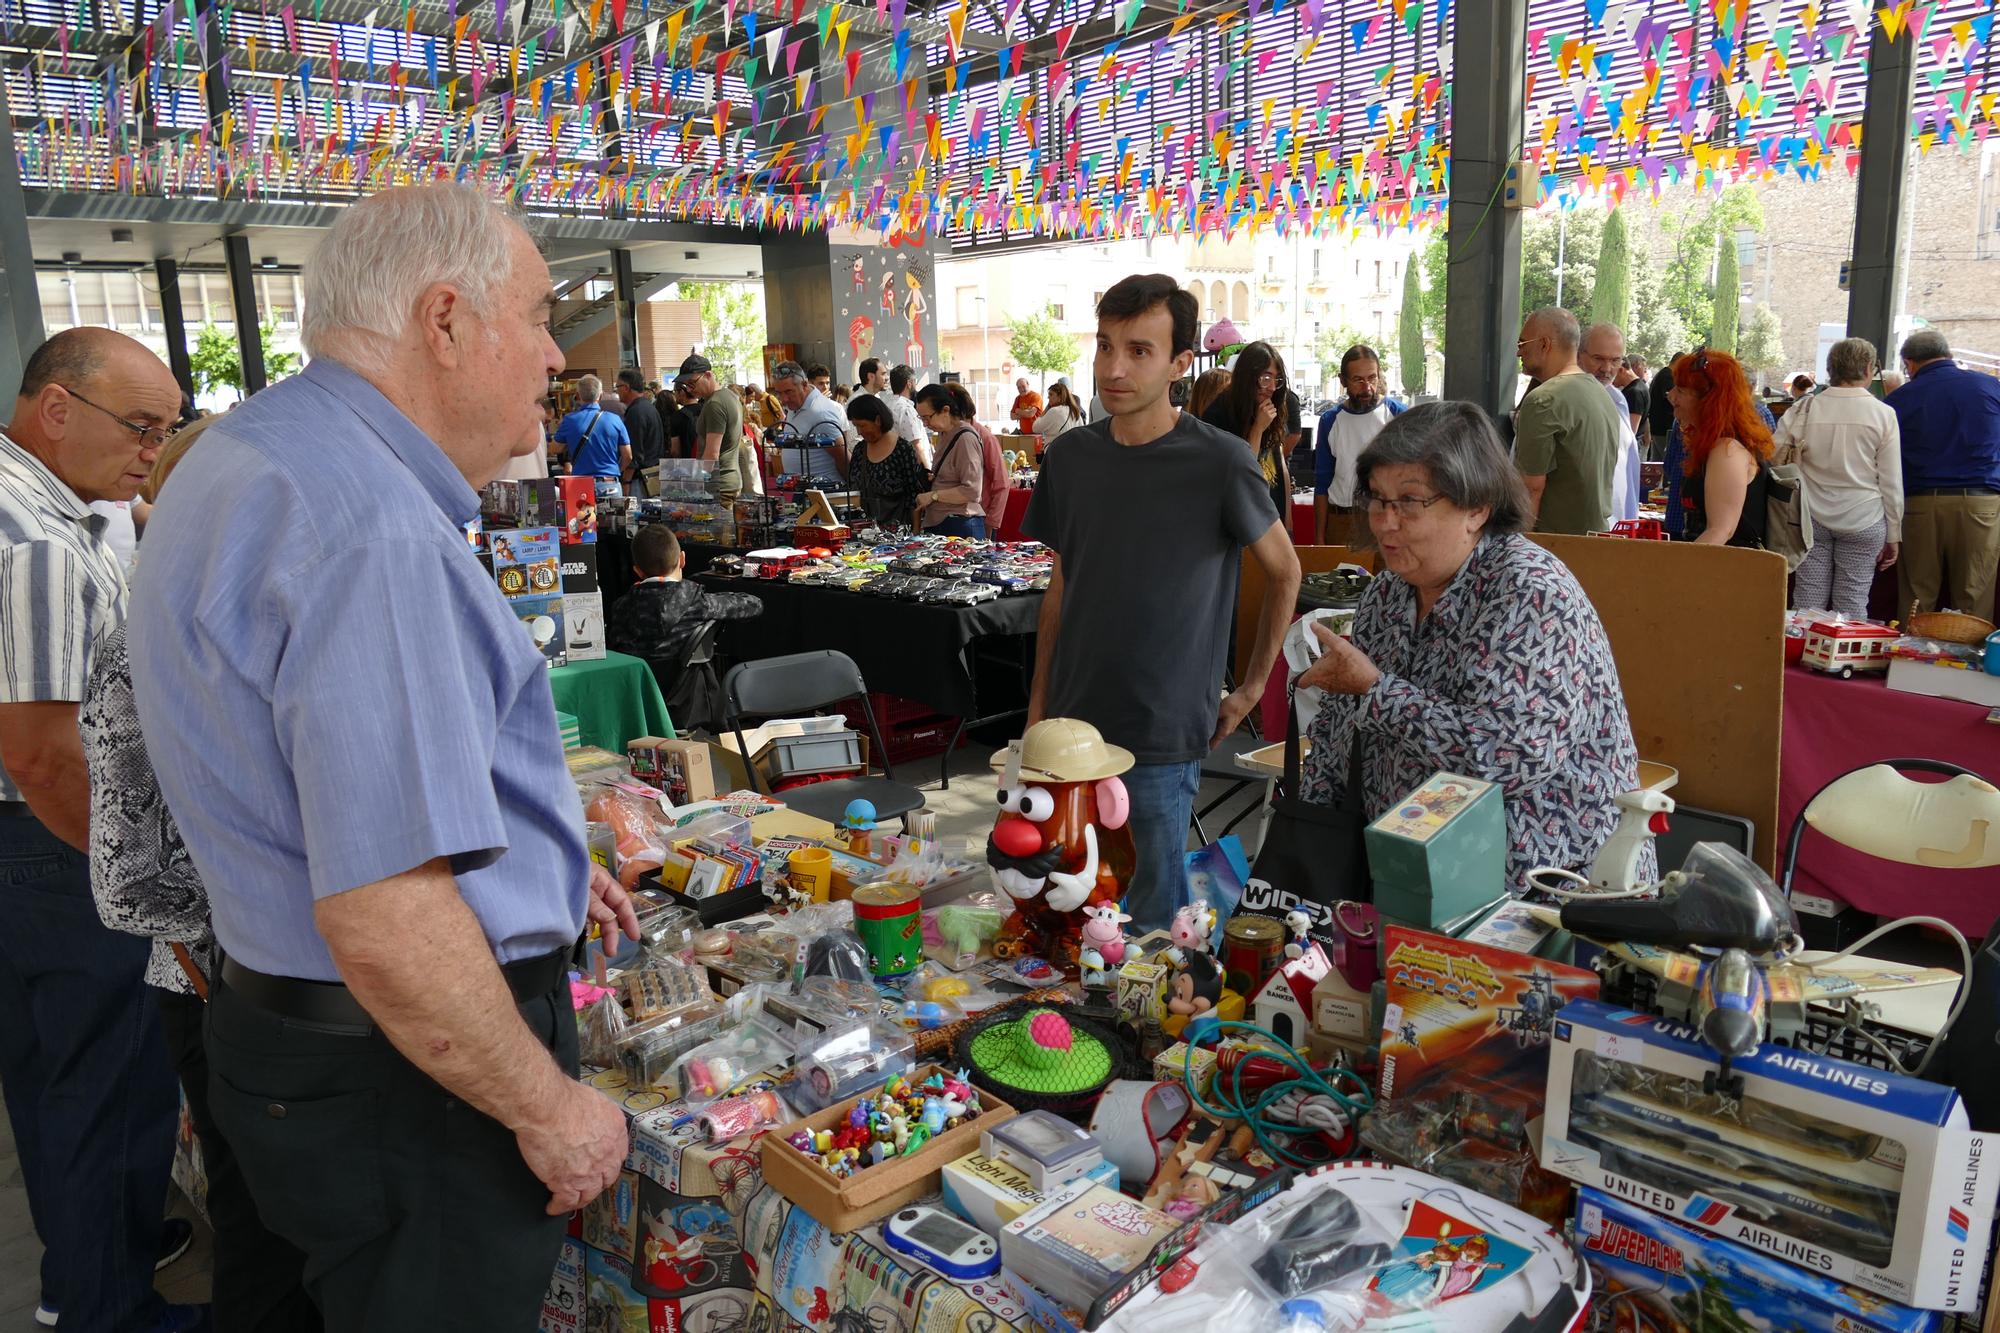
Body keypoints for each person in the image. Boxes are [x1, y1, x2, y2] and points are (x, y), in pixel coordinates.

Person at [128, 183, 641, 1330]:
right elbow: (386, 911)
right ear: (446, 321)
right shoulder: (370, 529)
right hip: (406, 1077)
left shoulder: (255, 455)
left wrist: (542, 866)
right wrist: (548, 1106)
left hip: (301, 1034)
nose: (558, 351)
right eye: (542, 311)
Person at [81, 413, 324, 1333]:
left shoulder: (252, 622)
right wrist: (296, 905)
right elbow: (126, 880)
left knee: (304, 1238)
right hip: (222, 988)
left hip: (289, 987)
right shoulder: (140, 644)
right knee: (266, 1242)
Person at [0, 328, 203, 1333]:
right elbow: (43, 756)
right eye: (139, 428)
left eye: (164, 434)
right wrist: (138, 880)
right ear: (56, 409)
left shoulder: (49, 513)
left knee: (52, 1080)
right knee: (108, 1085)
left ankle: (81, 1271)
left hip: (25, 851)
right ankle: (106, 1307)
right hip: (52, 848)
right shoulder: (37, 544)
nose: (148, 454)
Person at [1022, 274, 1301, 932]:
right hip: (1069, 725)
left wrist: (1253, 686)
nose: (1114, 367)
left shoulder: (1221, 462)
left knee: (1148, 920)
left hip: (1162, 727)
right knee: (1064, 897)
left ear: (1181, 364)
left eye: (1139, 350)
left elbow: (1285, 572)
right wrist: (1036, 710)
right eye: (1105, 346)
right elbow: (1062, 586)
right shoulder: (1071, 459)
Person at [1296, 402, 1647, 889]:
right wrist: (1306, 836)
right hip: (1409, 875)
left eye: (1410, 502)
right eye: (1377, 499)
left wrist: (1375, 692)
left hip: (1540, 888)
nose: (1385, 522)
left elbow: (1507, 756)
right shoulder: (1388, 591)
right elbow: (1340, 732)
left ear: (1477, 509)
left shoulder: (1531, 592)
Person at [1774, 337, 1903, 616]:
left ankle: (1801, 654)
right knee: (1853, 603)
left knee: (1807, 603)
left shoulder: (1803, 409)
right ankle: (1846, 658)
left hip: (1809, 517)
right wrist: (1894, 533)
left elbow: (1773, 455)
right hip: (1864, 517)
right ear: (1869, 369)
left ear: (1830, 369)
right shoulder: (1884, 414)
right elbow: (1891, 481)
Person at [1887, 329, 2000, 621]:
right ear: (1949, 355)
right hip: (1981, 504)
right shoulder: (1990, 387)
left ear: (1909, 364)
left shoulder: (1899, 399)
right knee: (1974, 595)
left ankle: (1910, 662)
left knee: (1917, 596)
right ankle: (1966, 662)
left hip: (1920, 504)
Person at [1513, 307, 1621, 534]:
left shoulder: (1544, 400)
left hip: (1556, 548)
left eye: (1522, 344)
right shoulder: (1602, 393)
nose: (1518, 352)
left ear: (1544, 344)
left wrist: (1516, 550)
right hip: (1595, 540)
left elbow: (1531, 488)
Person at [606, 525, 763, 663]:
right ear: (682, 559)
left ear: (638, 571)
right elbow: (754, 604)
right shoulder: (697, 602)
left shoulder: (620, 608)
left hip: (637, 692)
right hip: (687, 693)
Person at [1668, 347, 1774, 549]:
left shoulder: (1727, 451)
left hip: (1727, 573)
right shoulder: (1721, 446)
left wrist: (1678, 573)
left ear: (1708, 401)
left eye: (1680, 391)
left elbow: (1720, 530)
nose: (1671, 396)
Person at [1313, 344, 1404, 545]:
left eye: (1372, 378)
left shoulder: (1398, 415)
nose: (1367, 388)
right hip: (1341, 520)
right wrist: (1319, 538)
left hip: (1386, 520)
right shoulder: (1330, 421)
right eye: (1358, 380)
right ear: (1343, 381)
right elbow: (1322, 482)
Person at [1201, 340, 1298, 520]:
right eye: (1266, 378)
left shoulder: (1268, 408)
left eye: (1276, 379)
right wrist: (1258, 429)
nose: (1271, 387)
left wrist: (1287, 521)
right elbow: (1243, 475)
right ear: (1248, 376)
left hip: (1269, 517)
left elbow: (1279, 464)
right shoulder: (1219, 414)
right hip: (1240, 522)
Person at [1579, 323, 1645, 524]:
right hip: (1587, 531)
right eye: (1598, 359)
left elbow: (1628, 469)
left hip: (1619, 529)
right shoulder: (1568, 401)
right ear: (1579, 355)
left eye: (1615, 360)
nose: (1607, 369)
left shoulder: (1618, 399)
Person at [911, 383, 989, 538]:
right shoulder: (943, 434)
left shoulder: (965, 438)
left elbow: (972, 491)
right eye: (922, 419)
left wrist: (933, 496)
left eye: (928, 418)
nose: (926, 424)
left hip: (960, 524)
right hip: (941, 521)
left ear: (945, 410)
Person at [844, 394, 928, 527]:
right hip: (863, 533)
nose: (859, 431)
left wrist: (915, 534)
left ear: (878, 420)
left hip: (899, 534)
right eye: (856, 426)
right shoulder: (859, 450)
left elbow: (914, 496)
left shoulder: (903, 450)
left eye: (862, 425)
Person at [679, 354, 754, 503]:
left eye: (692, 383)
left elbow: (712, 452)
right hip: (727, 481)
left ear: (708, 375)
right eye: (686, 385)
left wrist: (697, 483)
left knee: (719, 526)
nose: (689, 389)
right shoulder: (730, 396)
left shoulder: (715, 404)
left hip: (719, 485)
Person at [768, 359, 851, 484]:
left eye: (788, 392)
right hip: (802, 490)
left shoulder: (820, 412)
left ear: (804, 385)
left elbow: (843, 457)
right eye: (779, 393)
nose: (783, 399)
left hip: (824, 493)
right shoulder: (794, 405)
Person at [554, 373, 631, 480]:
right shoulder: (615, 420)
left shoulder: (569, 420)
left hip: (581, 483)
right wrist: (616, 471)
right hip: (609, 483)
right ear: (601, 395)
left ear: (578, 395)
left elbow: (556, 448)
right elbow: (628, 456)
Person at [616, 368, 665, 489]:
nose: (617, 391)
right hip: (653, 475)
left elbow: (634, 452)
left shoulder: (635, 412)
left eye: (618, 387)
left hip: (640, 479)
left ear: (626, 387)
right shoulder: (649, 407)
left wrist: (626, 481)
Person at [884, 363, 932, 464]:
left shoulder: (887, 406)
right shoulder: (906, 409)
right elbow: (917, 446)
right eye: (915, 382)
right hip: (913, 469)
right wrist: (928, 471)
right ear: (909, 383)